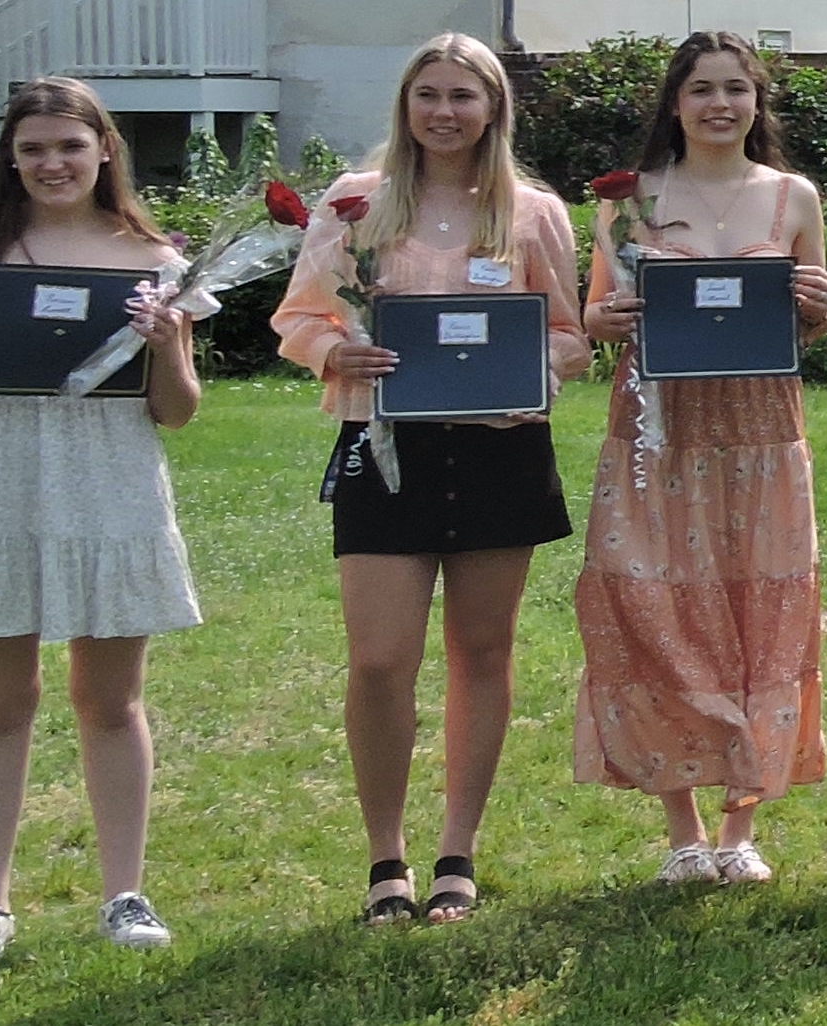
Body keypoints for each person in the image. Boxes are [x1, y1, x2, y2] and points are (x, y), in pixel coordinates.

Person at [267, 32, 595, 926]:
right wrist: (343, 348)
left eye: (463, 96)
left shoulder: (532, 212)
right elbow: (297, 317)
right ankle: (386, 861)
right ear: (406, 107)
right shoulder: (354, 206)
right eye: (429, 96)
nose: (444, 113)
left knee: (480, 654)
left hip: (500, 453)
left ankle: (458, 852)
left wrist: (531, 379)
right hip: (386, 452)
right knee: (379, 662)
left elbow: (569, 334)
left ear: (493, 108)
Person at [0, 78, 202, 968]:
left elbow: (177, 413)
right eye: (33, 149)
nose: (51, 163)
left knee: (111, 700)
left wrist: (169, 345)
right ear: (10, 159)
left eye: (69, 145)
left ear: (105, 150)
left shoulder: (154, 258)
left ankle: (125, 893)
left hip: (108, 486)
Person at [570, 31, 827, 887]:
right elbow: (594, 316)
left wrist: (818, 307)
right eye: (702, 90)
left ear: (757, 102)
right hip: (660, 431)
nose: (720, 104)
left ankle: (740, 832)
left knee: (761, 613)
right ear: (676, 104)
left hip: (762, 433)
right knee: (660, 608)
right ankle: (682, 831)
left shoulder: (793, 197)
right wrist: (605, 321)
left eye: (736, 88)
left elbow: (814, 322)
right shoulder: (634, 199)